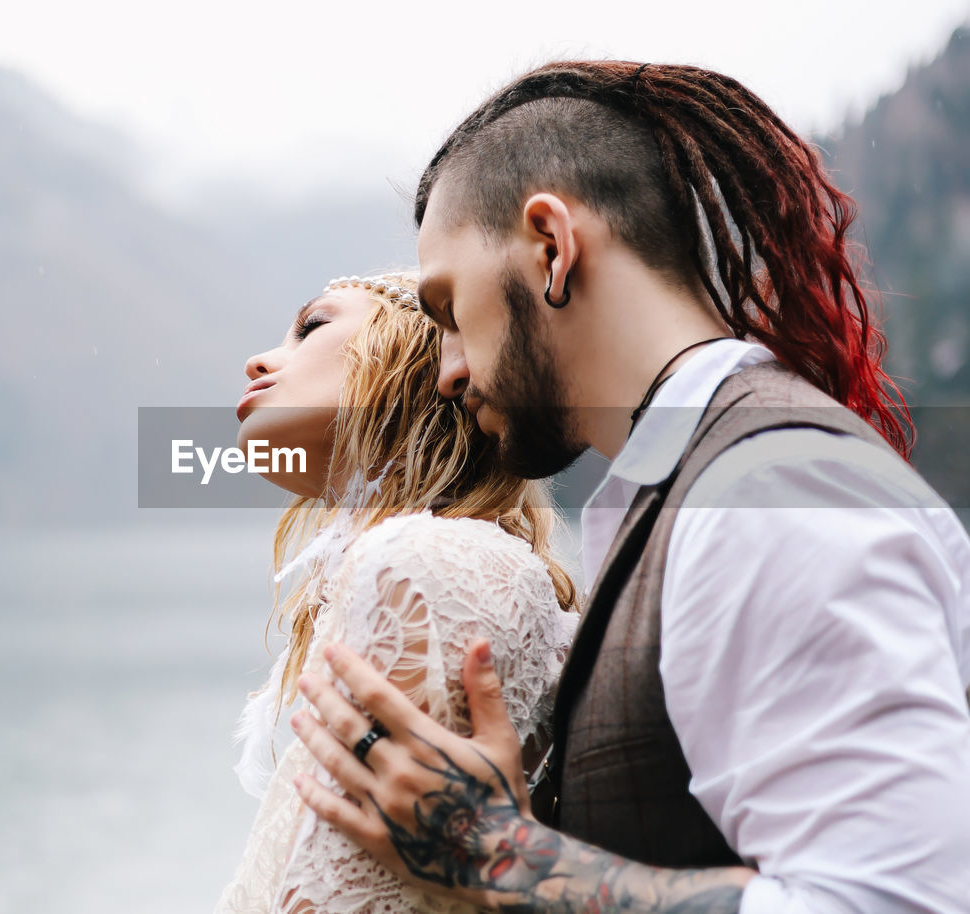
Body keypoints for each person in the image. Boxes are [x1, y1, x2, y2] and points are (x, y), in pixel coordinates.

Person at [289, 61, 970, 913]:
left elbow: (894, 903)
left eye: (451, 309)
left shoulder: (765, 494)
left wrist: (502, 855)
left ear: (551, 246)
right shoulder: (687, 489)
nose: (448, 371)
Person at [215, 271, 580, 913]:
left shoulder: (427, 561)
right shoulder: (419, 558)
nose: (260, 359)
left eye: (313, 326)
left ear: (414, 357)